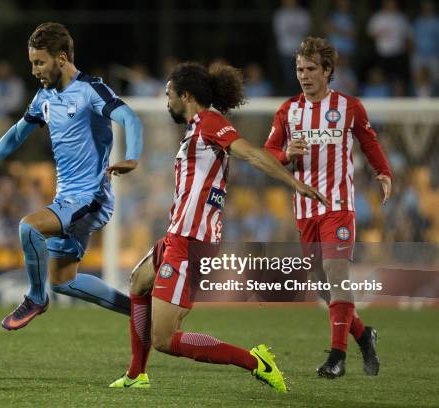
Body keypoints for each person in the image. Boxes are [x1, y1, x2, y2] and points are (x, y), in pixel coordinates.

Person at [109, 62, 325, 392]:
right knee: (138, 283)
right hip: (177, 234)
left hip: (192, 240)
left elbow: (250, 154)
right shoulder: (198, 128)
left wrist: (292, 182)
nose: (166, 102)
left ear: (185, 95)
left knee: (164, 339)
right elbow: (240, 156)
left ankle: (256, 362)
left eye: (169, 95)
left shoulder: (210, 121)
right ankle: (137, 374)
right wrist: (282, 156)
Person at [0, 22, 143, 330]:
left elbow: (129, 117)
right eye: (32, 62)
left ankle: (35, 298)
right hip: (67, 199)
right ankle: (141, 312)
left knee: (29, 228)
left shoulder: (90, 91)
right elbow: (16, 134)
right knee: (63, 281)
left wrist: (132, 157)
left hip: (90, 198)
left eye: (39, 62)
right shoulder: (44, 97)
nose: (34, 70)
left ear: (61, 58)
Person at [264, 37, 392, 379]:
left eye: (310, 69)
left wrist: (383, 172)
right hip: (305, 209)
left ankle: (337, 356)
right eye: (299, 69)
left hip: (339, 206)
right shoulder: (287, 111)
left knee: (337, 273)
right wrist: (285, 154)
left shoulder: (349, 107)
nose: (303, 76)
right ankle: (364, 335)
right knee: (322, 283)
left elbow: (369, 141)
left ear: (327, 71)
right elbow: (268, 154)